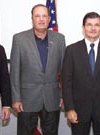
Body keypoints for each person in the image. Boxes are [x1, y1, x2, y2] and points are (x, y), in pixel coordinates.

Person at [10, 4, 66, 135]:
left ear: (49, 18)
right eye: (37, 16)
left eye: (44, 16)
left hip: (52, 98)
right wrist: (16, 98)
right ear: (32, 18)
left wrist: (63, 95)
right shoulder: (19, 39)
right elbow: (14, 72)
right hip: (26, 100)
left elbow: (63, 70)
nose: (41, 19)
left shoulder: (59, 39)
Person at [62, 12, 100, 135]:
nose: (93, 28)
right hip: (78, 111)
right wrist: (70, 108)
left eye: (96, 25)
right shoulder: (71, 50)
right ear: (83, 28)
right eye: (89, 25)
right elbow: (66, 82)